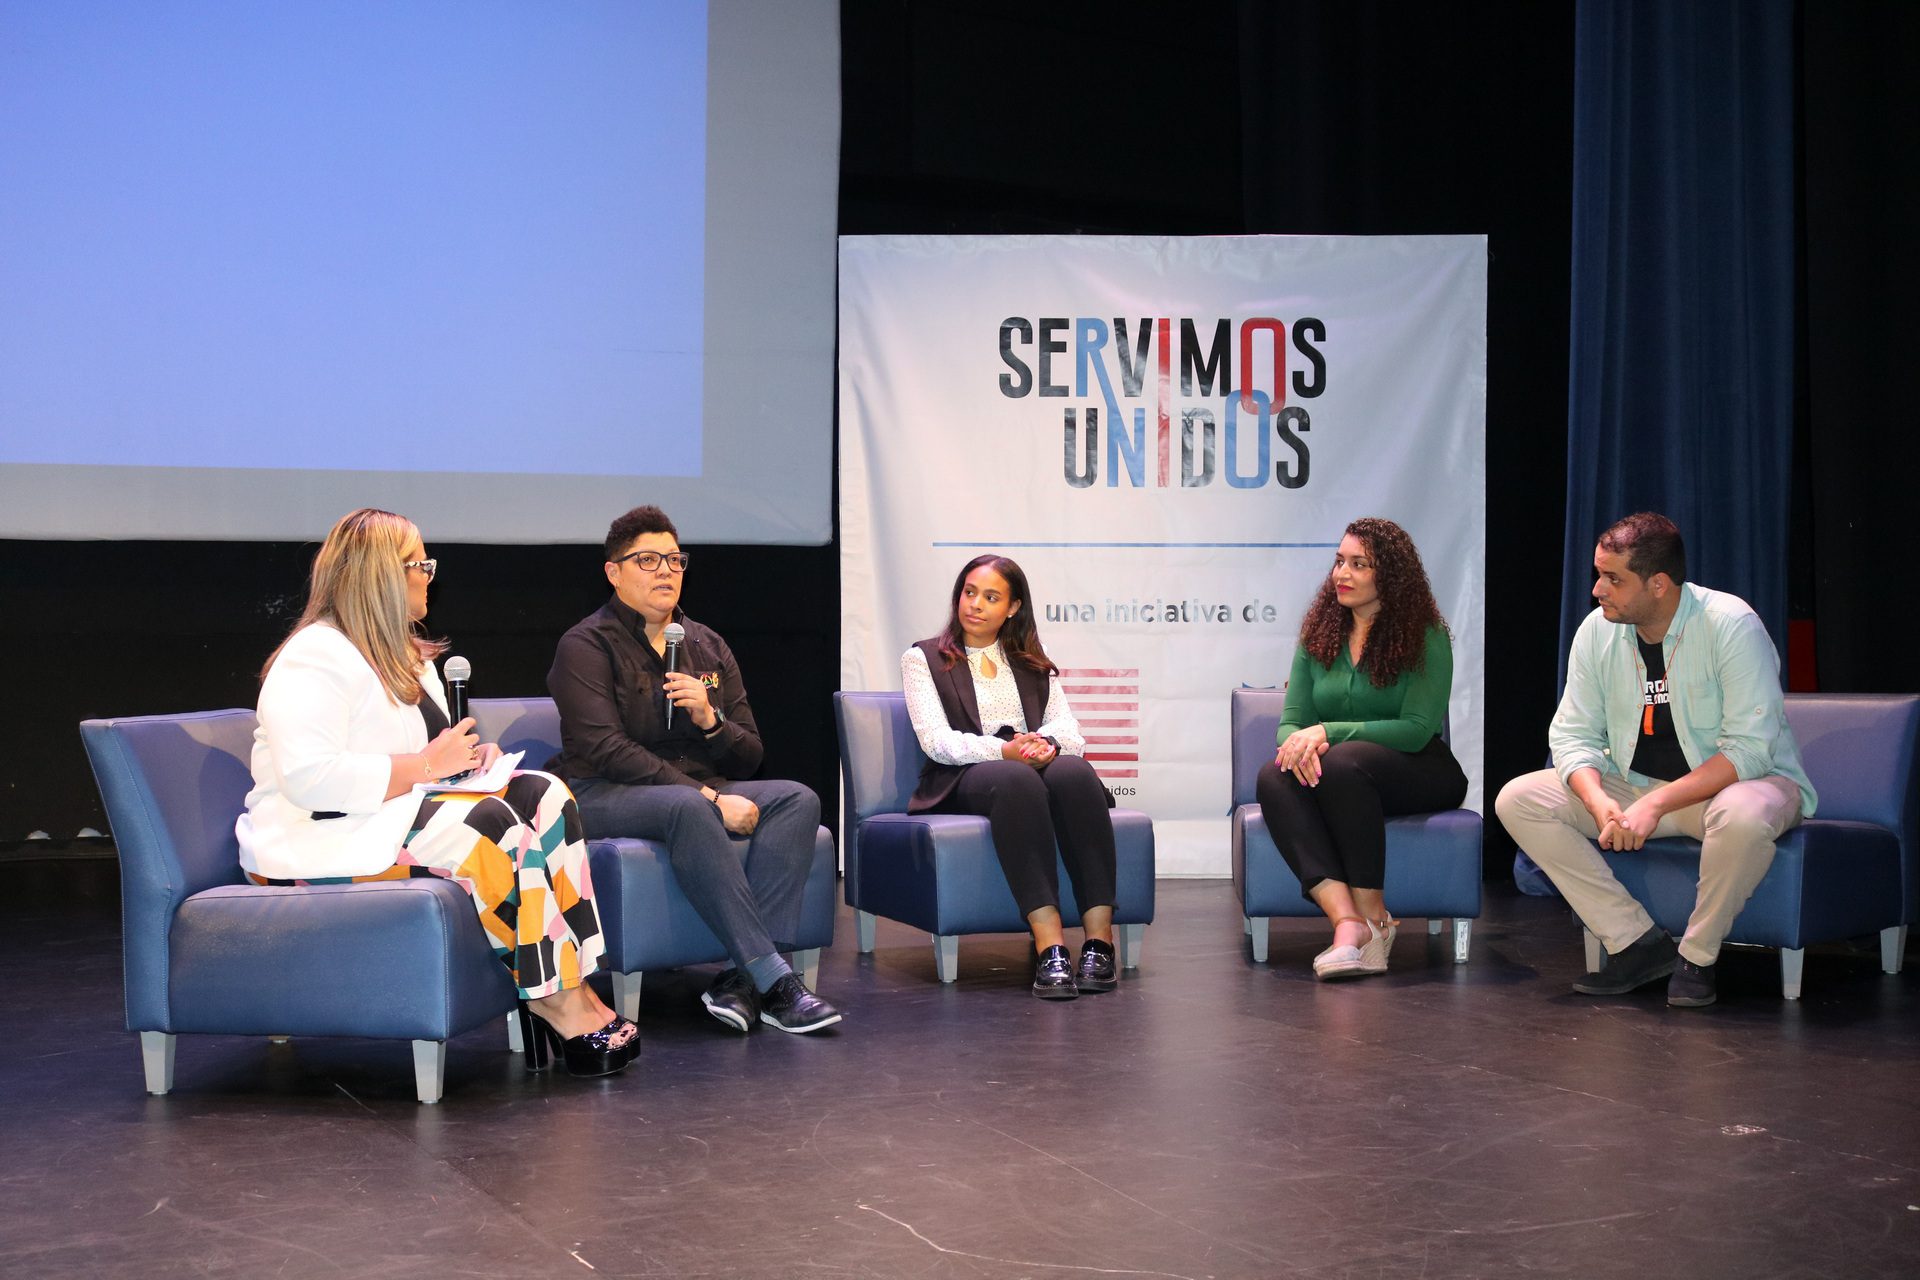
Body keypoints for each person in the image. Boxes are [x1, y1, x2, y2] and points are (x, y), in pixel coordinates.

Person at [236, 509, 637, 1077]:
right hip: (316, 841)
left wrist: (469, 767)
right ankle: (553, 999)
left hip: (385, 823)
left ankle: (573, 977)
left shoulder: (408, 658)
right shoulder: (314, 656)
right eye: (419, 563)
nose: (430, 573)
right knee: (488, 827)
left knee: (543, 793)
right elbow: (312, 781)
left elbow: (426, 770)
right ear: (380, 576)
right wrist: (430, 764)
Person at [1495, 512, 1816, 1008]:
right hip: (1636, 785)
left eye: (1613, 579)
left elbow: (1749, 749)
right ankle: (1636, 944)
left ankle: (1698, 957)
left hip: (1739, 785)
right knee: (1519, 799)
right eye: (1598, 575)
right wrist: (1598, 800)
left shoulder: (1730, 624)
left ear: (1659, 584)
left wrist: (1656, 805)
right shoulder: (1597, 632)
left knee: (1743, 815)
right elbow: (1573, 734)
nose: (1598, 590)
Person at [546, 505, 841, 1034]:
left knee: (797, 798)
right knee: (686, 804)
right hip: (600, 790)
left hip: (693, 786)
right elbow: (607, 748)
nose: (665, 571)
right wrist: (709, 799)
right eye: (648, 560)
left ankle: (742, 978)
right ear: (613, 571)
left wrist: (710, 720)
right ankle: (775, 978)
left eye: (674, 560)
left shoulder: (705, 644)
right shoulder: (585, 645)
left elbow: (750, 755)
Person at [1256, 518, 1468, 980]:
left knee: (1345, 762)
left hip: (1420, 770)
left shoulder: (1426, 635)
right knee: (1273, 774)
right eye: (1338, 562)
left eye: (1358, 564)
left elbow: (1415, 730)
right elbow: (1290, 724)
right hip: (1343, 775)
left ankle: (1376, 918)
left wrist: (1327, 732)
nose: (1341, 574)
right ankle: (1348, 925)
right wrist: (1302, 744)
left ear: (1388, 575)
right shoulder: (1318, 635)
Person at [901, 555, 1119, 999]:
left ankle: (1099, 943)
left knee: (1075, 774)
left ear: (1013, 608)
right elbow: (936, 740)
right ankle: (1050, 947)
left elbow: (1068, 729)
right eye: (969, 592)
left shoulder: (1029, 660)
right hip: (966, 775)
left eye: (991, 597)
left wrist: (1047, 747)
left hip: (1027, 762)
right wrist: (1005, 751)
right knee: (1015, 779)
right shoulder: (923, 658)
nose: (975, 604)